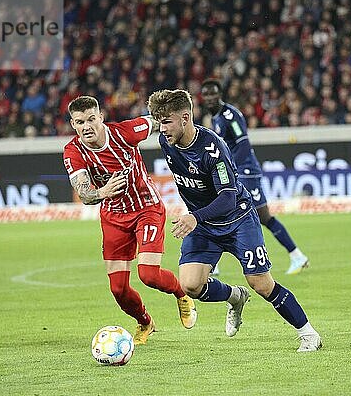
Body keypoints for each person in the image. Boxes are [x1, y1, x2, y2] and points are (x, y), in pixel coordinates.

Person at [147, 89, 322, 352]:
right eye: (159, 122)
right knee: (191, 285)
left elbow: (228, 197)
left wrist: (195, 216)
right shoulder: (167, 140)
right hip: (204, 225)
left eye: (167, 122)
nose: (162, 129)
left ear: (185, 118)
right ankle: (235, 297)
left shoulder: (213, 148)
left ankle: (308, 334)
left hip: (238, 219)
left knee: (262, 284)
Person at [62, 95, 197, 345]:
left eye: (91, 119)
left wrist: (186, 130)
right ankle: (145, 322)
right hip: (113, 217)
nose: (87, 127)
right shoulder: (73, 151)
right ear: (73, 124)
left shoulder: (125, 132)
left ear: (101, 117)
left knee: (148, 274)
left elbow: (158, 121)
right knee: (118, 290)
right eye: (80, 122)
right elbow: (83, 192)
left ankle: (182, 294)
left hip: (147, 208)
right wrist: (102, 192)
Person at [201, 78, 309, 275]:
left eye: (213, 93)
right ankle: (213, 263)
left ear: (220, 94)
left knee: (263, 217)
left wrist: (234, 171)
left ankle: (297, 255)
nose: (209, 98)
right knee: (222, 214)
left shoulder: (229, 115)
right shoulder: (216, 118)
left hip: (245, 172)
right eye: (206, 94)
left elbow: (242, 144)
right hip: (236, 173)